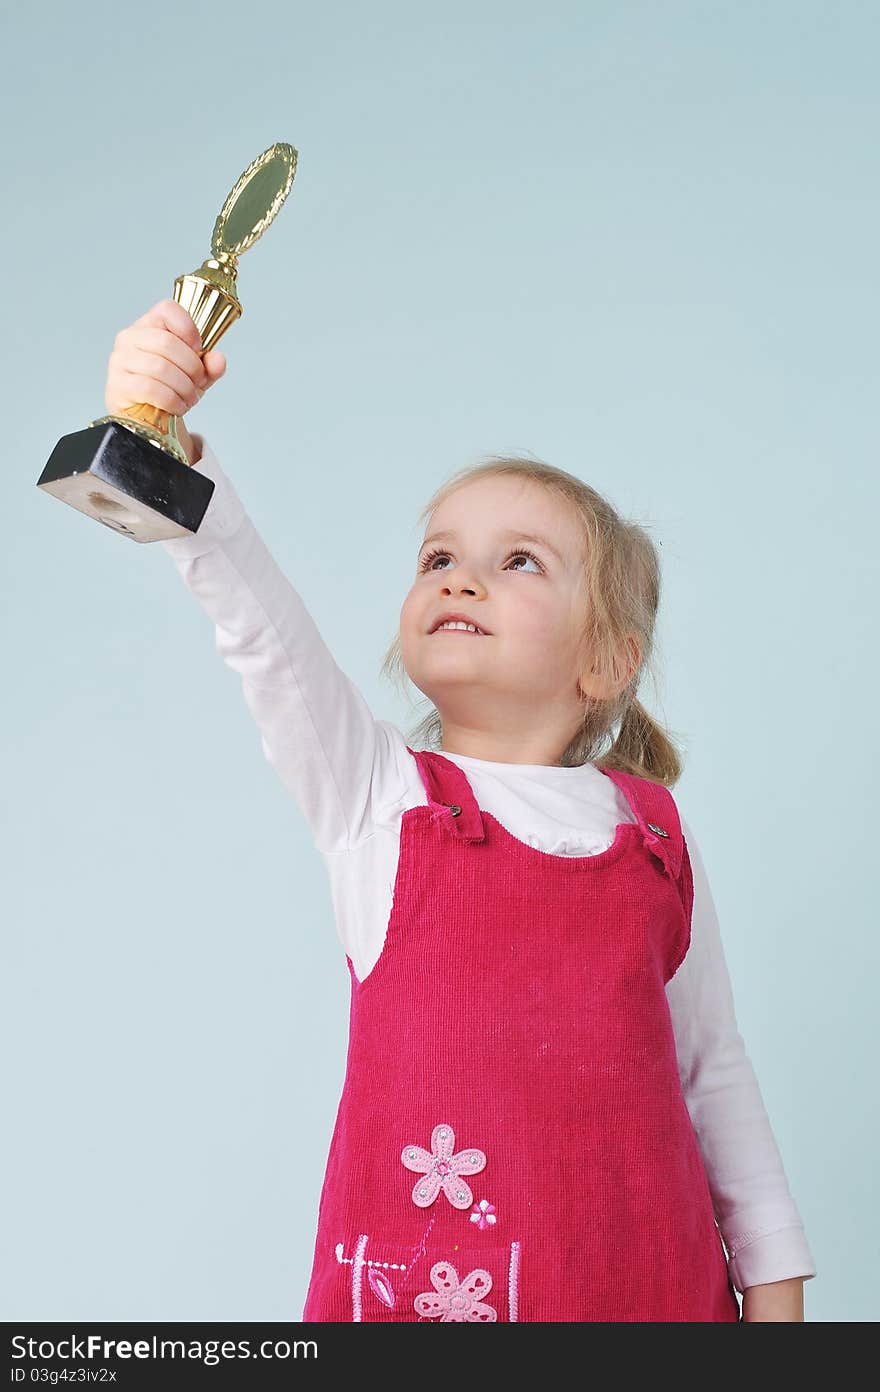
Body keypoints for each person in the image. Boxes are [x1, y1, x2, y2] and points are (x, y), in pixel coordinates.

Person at [103, 298, 817, 1322]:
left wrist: (777, 1290)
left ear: (608, 661)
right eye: (439, 557)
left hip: (657, 1299)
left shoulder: (653, 833)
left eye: (517, 561)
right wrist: (161, 441)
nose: (462, 578)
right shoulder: (379, 803)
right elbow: (257, 626)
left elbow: (713, 1068)